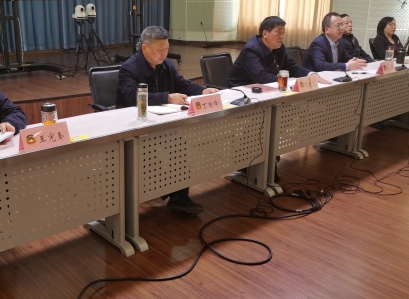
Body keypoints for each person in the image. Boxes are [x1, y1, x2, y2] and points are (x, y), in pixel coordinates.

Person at [116, 26, 219, 215]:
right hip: (134, 123)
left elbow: (181, 84)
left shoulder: (167, 64)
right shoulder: (129, 68)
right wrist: (167, 97)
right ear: (145, 48)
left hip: (161, 120)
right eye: (160, 50)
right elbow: (132, 98)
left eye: (167, 49)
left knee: (179, 144)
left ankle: (179, 197)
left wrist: (202, 90)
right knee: (162, 148)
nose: (164, 54)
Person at [227, 16, 321, 87]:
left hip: (266, 89)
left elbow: (291, 67)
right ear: (265, 34)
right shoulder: (251, 50)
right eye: (278, 32)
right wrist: (288, 80)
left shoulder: (279, 47)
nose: (282, 36)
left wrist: (311, 74)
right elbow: (261, 77)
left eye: (283, 32)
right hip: (240, 92)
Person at [303, 12, 367, 72]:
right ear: (327, 29)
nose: (341, 28)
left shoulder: (339, 42)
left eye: (342, 25)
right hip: (313, 77)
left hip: (332, 76)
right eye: (338, 25)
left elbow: (347, 59)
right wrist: (347, 66)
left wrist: (354, 61)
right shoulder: (318, 43)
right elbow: (321, 65)